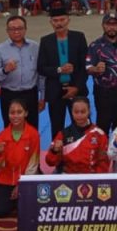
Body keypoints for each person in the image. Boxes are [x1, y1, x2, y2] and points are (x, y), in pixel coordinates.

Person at [38, 7, 89, 137]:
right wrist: (59, 70)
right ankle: (58, 150)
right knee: (56, 128)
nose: (59, 23)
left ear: (68, 20)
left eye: (62, 20)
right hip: (55, 91)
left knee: (82, 126)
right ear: (51, 22)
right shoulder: (46, 41)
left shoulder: (79, 37)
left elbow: (85, 66)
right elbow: (41, 68)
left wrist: (77, 88)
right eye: (55, 21)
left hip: (77, 90)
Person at [0, 99, 40, 217]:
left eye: (19, 112)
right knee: (1, 212)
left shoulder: (33, 134)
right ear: (8, 114)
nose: (15, 116)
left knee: (28, 212)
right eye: (12, 113)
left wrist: (21, 185)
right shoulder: (2, 136)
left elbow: (33, 164)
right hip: (5, 181)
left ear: (26, 113)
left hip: (25, 180)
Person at [0, 14, 41, 127]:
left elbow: (40, 74)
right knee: (10, 128)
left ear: (25, 29)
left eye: (20, 28)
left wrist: (43, 97)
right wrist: (5, 70)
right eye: (12, 29)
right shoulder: (0, 49)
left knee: (32, 127)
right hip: (9, 94)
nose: (16, 32)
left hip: (30, 94)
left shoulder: (35, 47)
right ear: (7, 31)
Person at [86, 12, 117, 134]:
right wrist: (95, 69)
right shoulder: (95, 46)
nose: (112, 27)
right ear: (103, 25)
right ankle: (103, 147)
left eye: (115, 24)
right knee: (103, 126)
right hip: (103, 92)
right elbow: (87, 67)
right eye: (108, 24)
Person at [45, 96, 110, 174]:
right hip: (68, 176)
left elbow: (104, 163)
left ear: (89, 111)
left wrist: (95, 178)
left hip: (91, 176)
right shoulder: (63, 134)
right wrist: (54, 151)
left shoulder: (99, 134)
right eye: (76, 112)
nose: (79, 115)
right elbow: (49, 162)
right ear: (71, 112)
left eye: (83, 112)